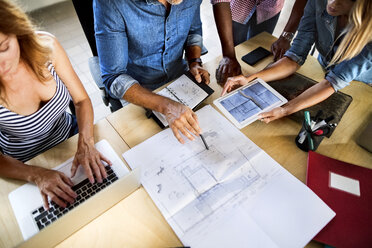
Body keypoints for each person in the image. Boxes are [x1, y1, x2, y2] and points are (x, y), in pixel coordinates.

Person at [0, 0, 111, 210]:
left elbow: (81, 100)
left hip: (69, 137)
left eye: (4, 47)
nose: (2, 65)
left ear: (18, 32)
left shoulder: (46, 46)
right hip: (24, 164)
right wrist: (36, 174)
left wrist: (86, 142)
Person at [222, 0, 372, 123]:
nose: (332, 3)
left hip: (363, 84)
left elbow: (333, 82)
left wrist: (285, 109)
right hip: (325, 68)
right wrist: (250, 78)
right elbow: (294, 57)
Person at [93, 0, 210, 144]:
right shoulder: (111, 3)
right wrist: (167, 106)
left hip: (180, 80)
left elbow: (193, 31)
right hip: (137, 92)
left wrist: (194, 61)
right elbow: (114, 76)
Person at [211, 0, 284, 85]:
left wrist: (287, 34)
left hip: (270, 9)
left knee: (259, 52)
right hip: (237, 8)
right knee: (236, 49)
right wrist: (228, 55)